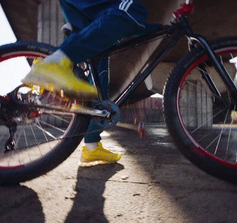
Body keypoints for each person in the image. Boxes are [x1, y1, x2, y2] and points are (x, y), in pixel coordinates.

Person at [22, 0, 149, 167]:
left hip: (87, 14)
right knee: (133, 9)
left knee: (98, 78)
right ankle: (54, 64)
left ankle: (91, 147)